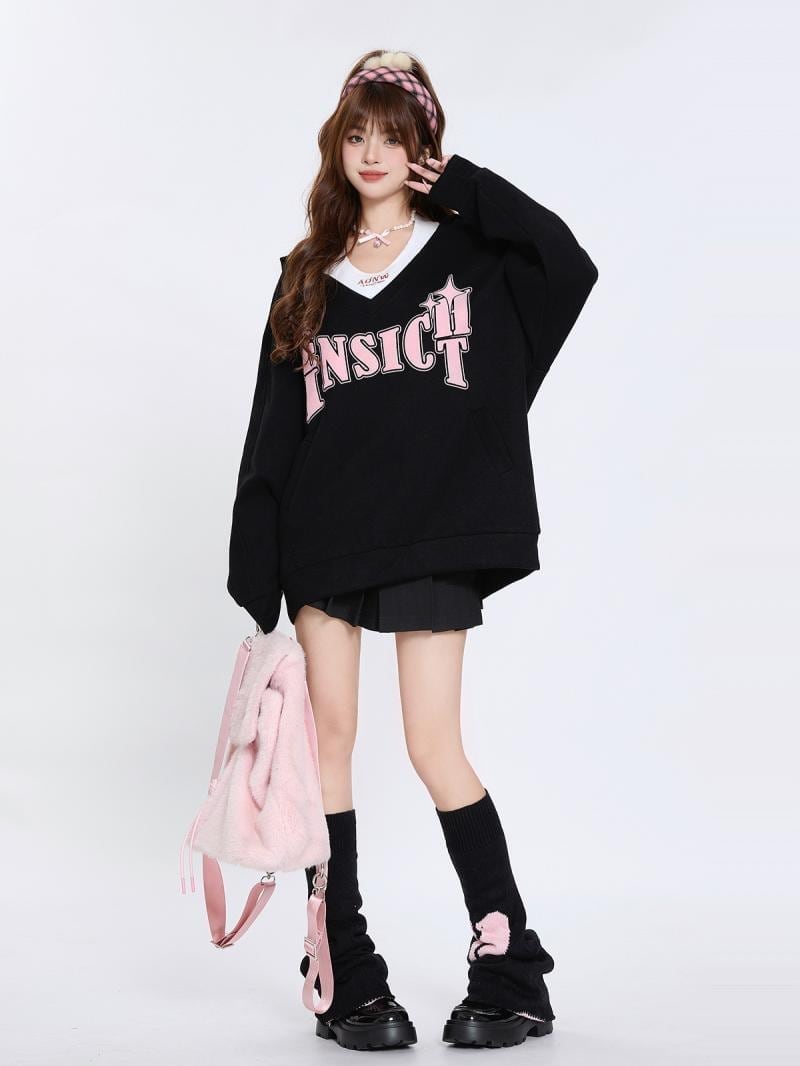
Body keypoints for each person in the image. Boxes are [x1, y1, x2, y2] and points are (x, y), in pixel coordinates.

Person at [226, 48, 598, 1050]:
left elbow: (568, 265)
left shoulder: (469, 254)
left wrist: (467, 187)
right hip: (323, 538)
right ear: (336, 145)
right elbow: (273, 427)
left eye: (392, 136)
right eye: (356, 133)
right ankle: (344, 974)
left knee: (434, 744)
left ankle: (511, 972)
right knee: (330, 743)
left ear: (422, 147)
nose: (372, 153)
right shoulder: (306, 275)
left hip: (434, 525)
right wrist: (256, 564)